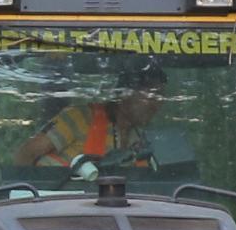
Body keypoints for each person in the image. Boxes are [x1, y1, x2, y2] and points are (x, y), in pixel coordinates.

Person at [13, 63, 167, 170]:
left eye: (160, 98)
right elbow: (27, 153)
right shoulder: (80, 117)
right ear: (124, 94)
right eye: (151, 97)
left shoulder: (141, 141)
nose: (156, 105)